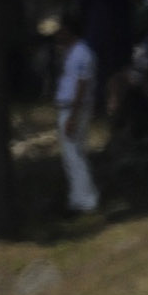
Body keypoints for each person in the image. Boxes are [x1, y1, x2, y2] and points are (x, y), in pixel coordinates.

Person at [56, 25, 100, 214]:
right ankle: (76, 197)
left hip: (75, 108)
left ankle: (86, 200)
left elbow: (81, 85)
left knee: (75, 154)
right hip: (69, 107)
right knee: (70, 156)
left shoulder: (82, 53)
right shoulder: (70, 52)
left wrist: (73, 116)